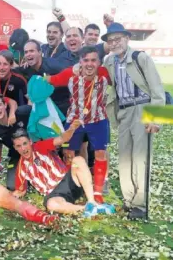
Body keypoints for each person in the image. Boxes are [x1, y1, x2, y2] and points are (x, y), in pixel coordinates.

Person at [102, 23, 166, 219]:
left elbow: (157, 89)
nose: (114, 43)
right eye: (110, 40)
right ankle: (128, 200)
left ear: (127, 39)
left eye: (118, 39)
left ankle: (141, 204)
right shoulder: (109, 62)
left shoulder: (141, 58)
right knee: (124, 157)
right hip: (123, 111)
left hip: (142, 108)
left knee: (141, 157)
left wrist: (156, 120)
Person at [45, 45, 112, 204]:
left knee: (100, 154)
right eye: (86, 60)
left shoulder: (105, 73)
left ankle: (97, 192)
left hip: (98, 120)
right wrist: (34, 93)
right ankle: (71, 186)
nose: (89, 64)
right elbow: (48, 80)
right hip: (74, 121)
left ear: (99, 62)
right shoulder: (70, 73)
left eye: (93, 60)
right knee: (69, 153)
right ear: (80, 61)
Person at [11, 125, 116, 217]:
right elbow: (20, 191)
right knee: (51, 205)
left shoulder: (39, 146)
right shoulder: (21, 168)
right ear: (15, 148)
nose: (23, 148)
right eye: (19, 146)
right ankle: (87, 209)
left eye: (25, 143)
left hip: (67, 180)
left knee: (78, 160)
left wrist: (72, 128)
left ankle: (92, 201)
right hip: (54, 193)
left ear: (30, 142)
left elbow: (61, 139)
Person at [0, 92, 29, 190]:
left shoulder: (21, 113)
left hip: (35, 151)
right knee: (12, 186)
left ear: (5, 105)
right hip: (17, 156)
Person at [16, 39, 71, 116]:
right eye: (26, 52)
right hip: (43, 109)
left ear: (40, 52)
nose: (28, 54)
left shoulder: (53, 66)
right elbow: (11, 71)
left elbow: (71, 76)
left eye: (32, 51)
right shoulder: (27, 68)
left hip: (62, 107)